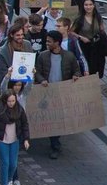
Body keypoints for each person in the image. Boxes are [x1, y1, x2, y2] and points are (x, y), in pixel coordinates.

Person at [34, 30, 81, 159]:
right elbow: (37, 72)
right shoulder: (43, 56)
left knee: (58, 119)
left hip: (62, 93)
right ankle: (55, 143)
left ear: (57, 43)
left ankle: (55, 142)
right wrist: (41, 79)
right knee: (51, 119)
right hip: (47, 93)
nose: (47, 43)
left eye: (49, 41)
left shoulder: (69, 56)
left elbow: (77, 70)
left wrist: (76, 76)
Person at [0, 90, 30, 185]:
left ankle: (9, 180)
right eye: (9, 101)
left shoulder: (20, 110)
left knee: (13, 164)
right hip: (2, 140)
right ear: (5, 100)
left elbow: (25, 124)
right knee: (5, 163)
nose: (11, 103)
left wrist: (26, 139)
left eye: (13, 101)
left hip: (14, 140)